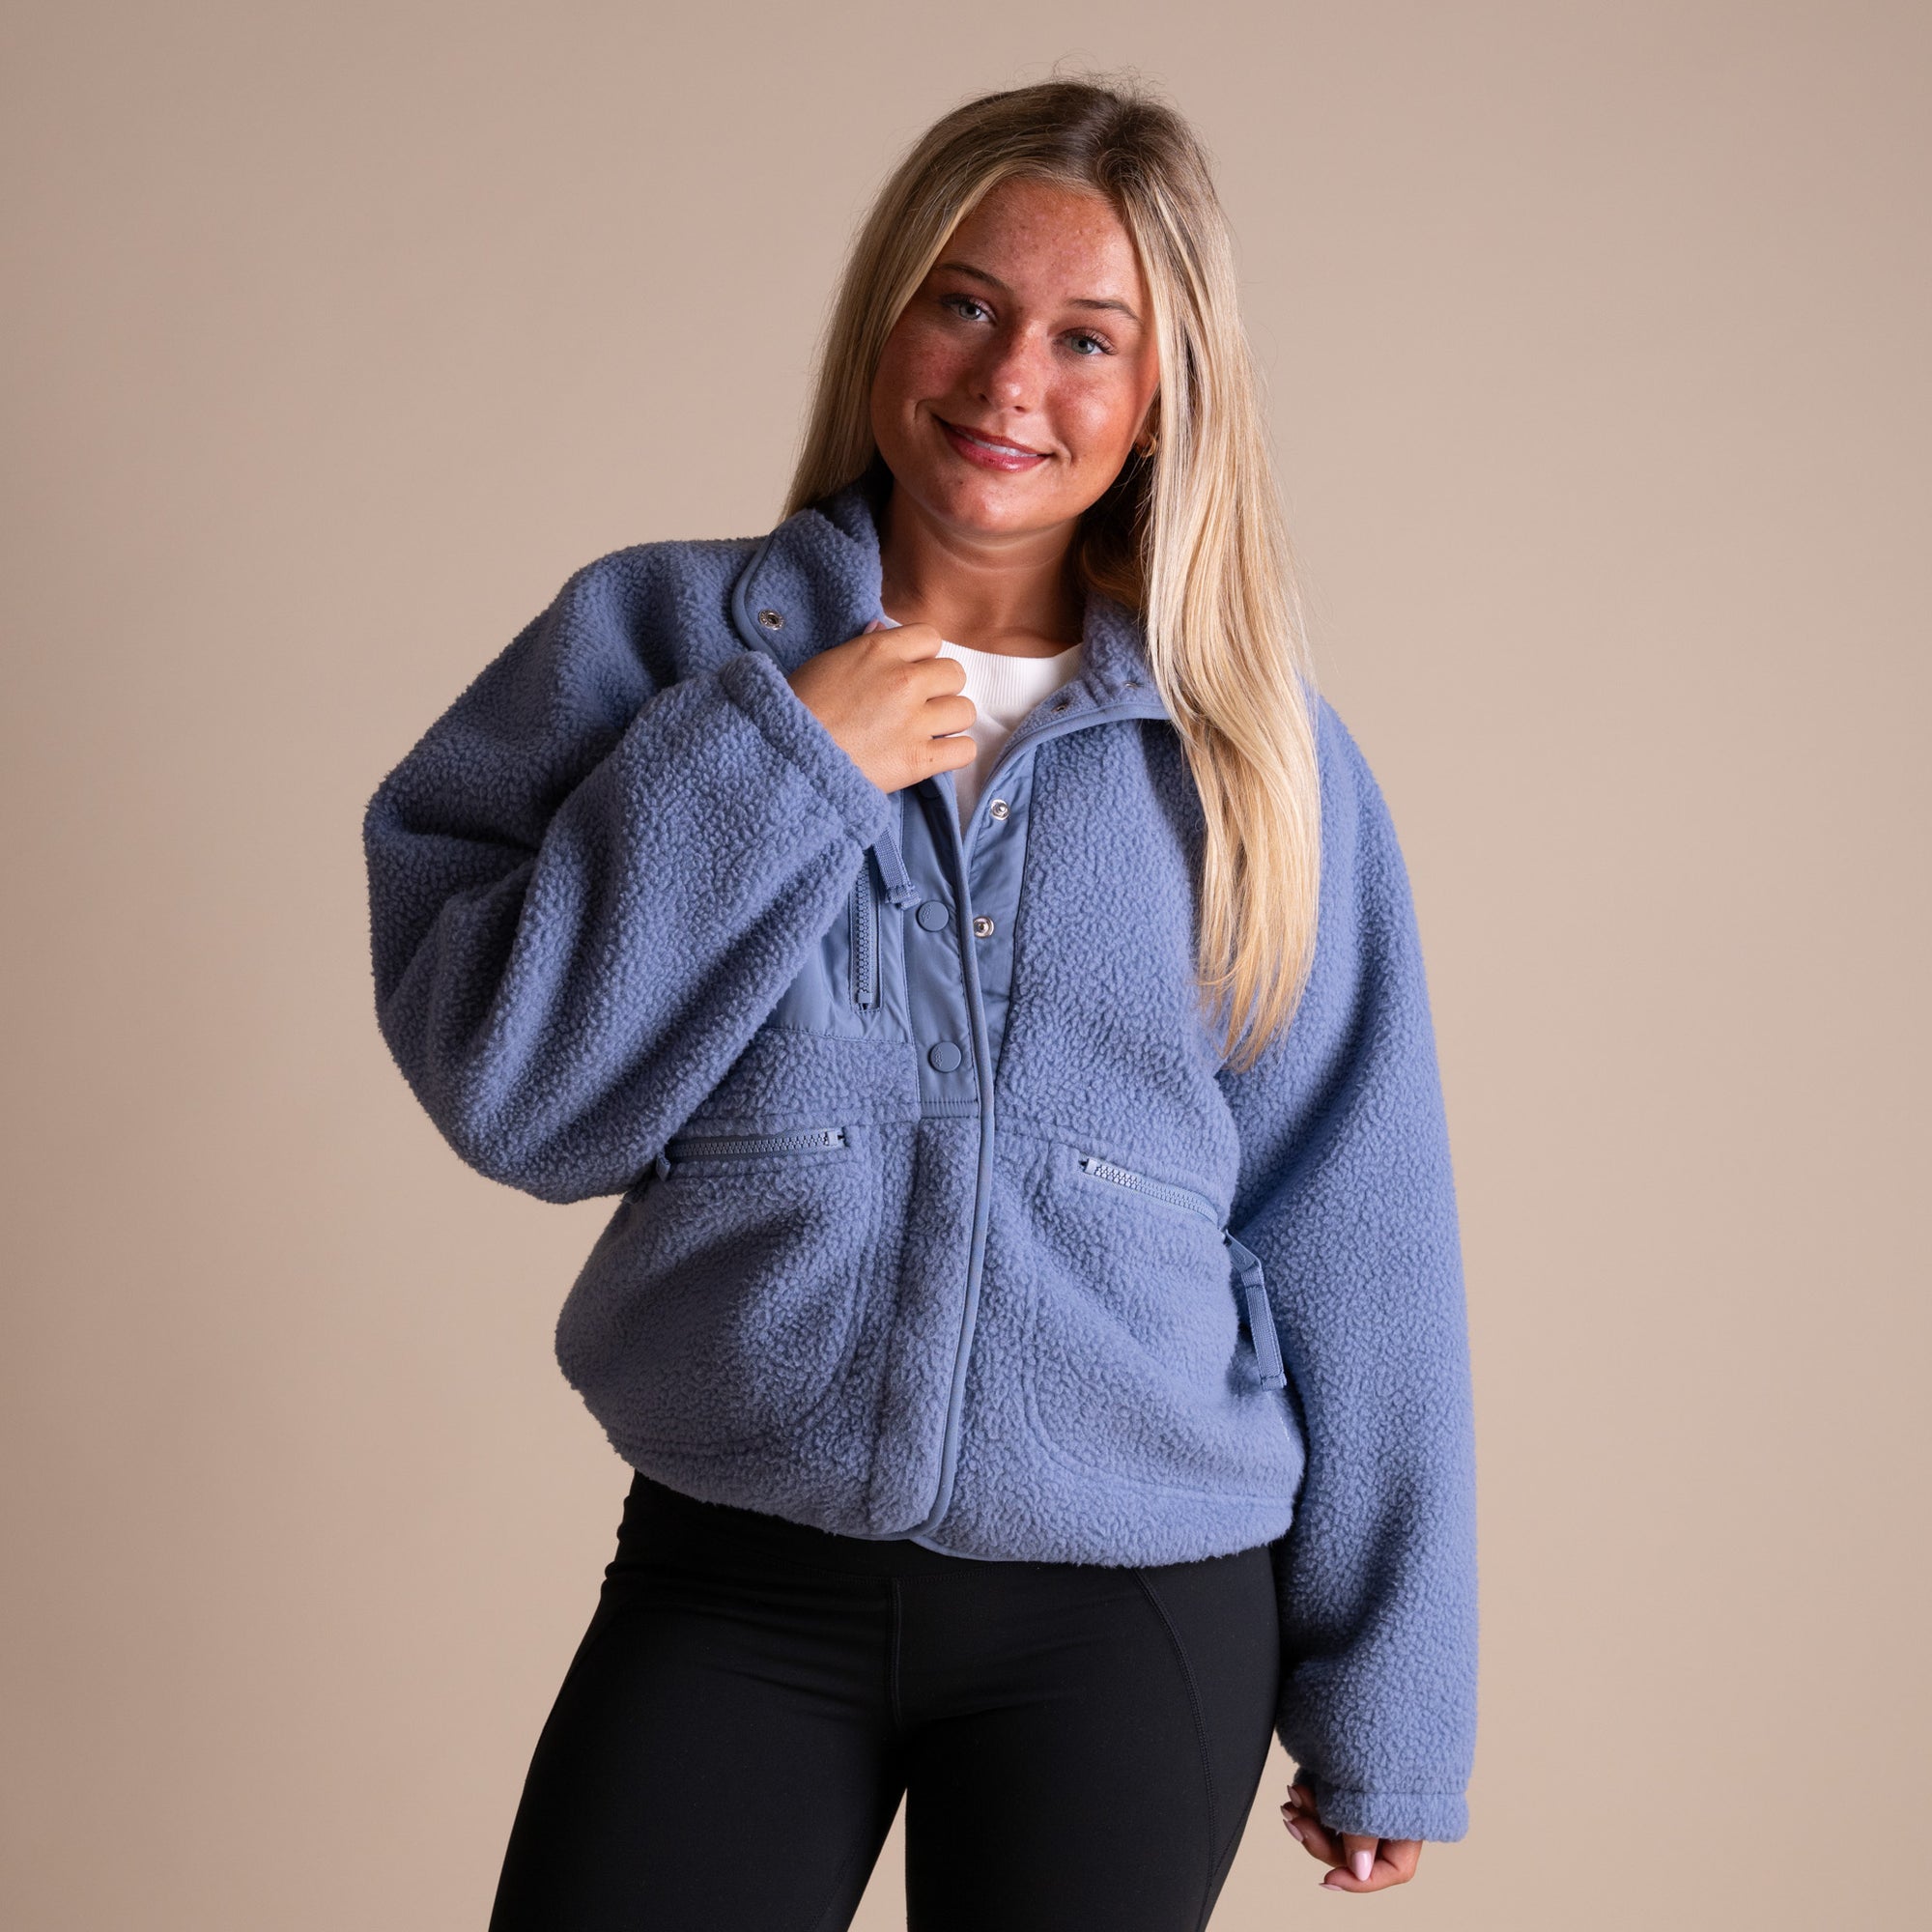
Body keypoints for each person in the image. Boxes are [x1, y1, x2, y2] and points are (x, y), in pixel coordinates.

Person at [363, 76, 1476, 1931]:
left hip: (1140, 1603)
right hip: (739, 1573)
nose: (1008, 379)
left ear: (1160, 394)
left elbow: (1364, 1226)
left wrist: (1392, 1693)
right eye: (965, 301)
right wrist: (787, 763)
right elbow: (517, 1095)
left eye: (1086, 337)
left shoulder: (1260, 762)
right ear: (888, 312)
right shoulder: (657, 651)